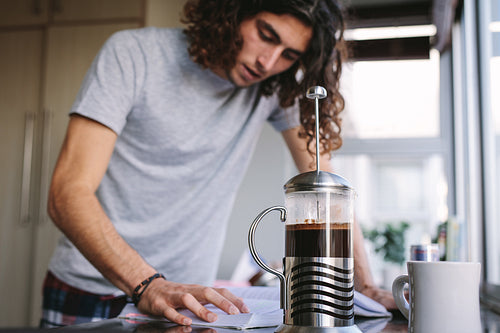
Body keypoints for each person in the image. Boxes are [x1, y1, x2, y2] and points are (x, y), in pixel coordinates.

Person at [40, 0, 395, 328]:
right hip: (90, 290)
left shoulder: (274, 87)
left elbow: (329, 188)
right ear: (232, 11)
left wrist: (367, 287)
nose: (267, 62)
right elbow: (66, 192)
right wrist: (148, 283)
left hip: (190, 303)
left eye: (289, 54)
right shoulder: (134, 54)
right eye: (266, 35)